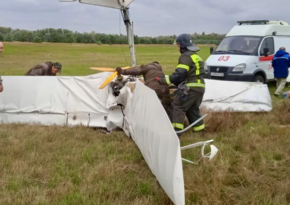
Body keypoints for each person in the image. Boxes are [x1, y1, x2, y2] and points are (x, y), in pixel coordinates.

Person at [156, 34, 206, 134]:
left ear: (182, 46)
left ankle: (176, 133)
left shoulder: (185, 56)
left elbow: (179, 74)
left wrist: (163, 80)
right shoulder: (196, 56)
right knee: (192, 110)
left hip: (191, 88)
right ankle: (200, 132)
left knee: (177, 106)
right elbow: (187, 74)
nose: (177, 48)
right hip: (200, 88)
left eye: (178, 45)